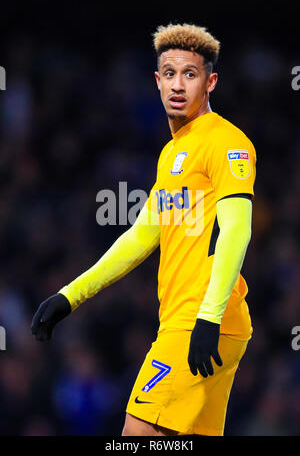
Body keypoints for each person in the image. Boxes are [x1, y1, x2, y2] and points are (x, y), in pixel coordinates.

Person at [31, 23, 257, 436]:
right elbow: (140, 236)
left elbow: (237, 230)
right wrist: (70, 296)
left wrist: (207, 317)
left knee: (137, 435)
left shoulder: (226, 142)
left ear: (211, 82)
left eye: (190, 74)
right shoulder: (173, 152)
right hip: (196, 321)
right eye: (169, 73)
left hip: (200, 320)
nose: (177, 84)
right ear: (156, 80)